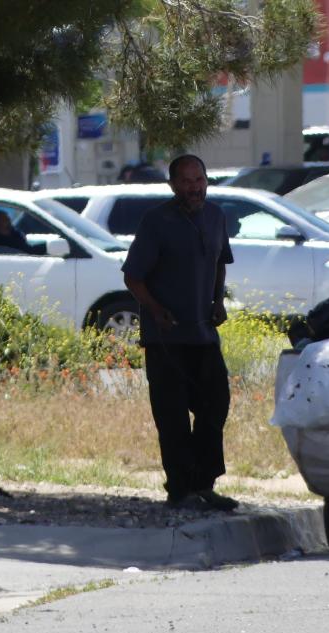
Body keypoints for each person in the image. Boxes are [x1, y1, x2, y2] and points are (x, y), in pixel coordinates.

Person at [121, 154, 238, 512]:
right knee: (172, 416)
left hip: (204, 335)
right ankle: (180, 489)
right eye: (186, 182)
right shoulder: (157, 221)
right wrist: (156, 311)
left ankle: (204, 484)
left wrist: (218, 301)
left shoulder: (216, 216)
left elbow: (220, 262)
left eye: (199, 180)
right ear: (173, 185)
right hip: (166, 339)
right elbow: (133, 276)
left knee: (215, 406)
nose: (194, 188)